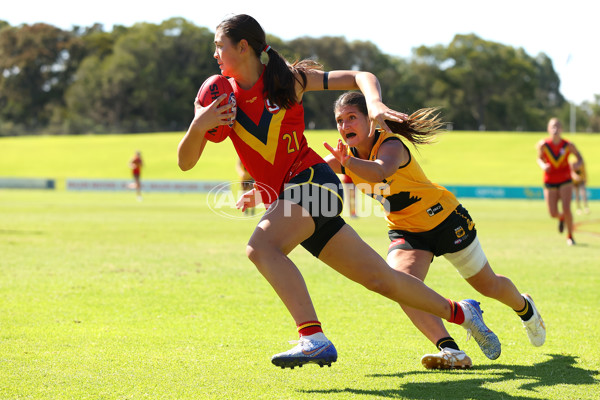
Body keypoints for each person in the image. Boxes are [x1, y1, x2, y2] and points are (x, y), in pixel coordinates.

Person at [177, 14, 500, 369]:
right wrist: (198, 125)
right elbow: (186, 162)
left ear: (243, 47)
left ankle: (312, 338)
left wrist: (374, 103)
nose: (215, 55)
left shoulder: (289, 81)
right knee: (381, 280)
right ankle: (462, 312)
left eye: (219, 46)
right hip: (296, 198)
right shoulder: (222, 98)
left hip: (315, 183)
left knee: (262, 247)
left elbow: (361, 76)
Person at [323, 91, 546, 369]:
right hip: (406, 231)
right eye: (339, 121)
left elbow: (381, 171)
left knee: (487, 284)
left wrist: (347, 163)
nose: (345, 127)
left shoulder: (390, 144)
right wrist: (262, 188)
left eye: (352, 118)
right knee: (399, 285)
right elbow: (306, 172)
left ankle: (525, 308)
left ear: (370, 120)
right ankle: (452, 350)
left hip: (445, 219)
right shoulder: (345, 155)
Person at [536, 118, 584, 245]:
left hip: (565, 180)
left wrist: (577, 164)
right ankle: (561, 218)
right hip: (550, 180)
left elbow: (580, 158)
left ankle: (570, 236)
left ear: (562, 129)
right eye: (552, 127)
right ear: (548, 129)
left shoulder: (568, 145)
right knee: (552, 213)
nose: (555, 129)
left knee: (567, 208)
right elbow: (539, 159)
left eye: (558, 126)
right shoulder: (544, 145)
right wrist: (543, 166)